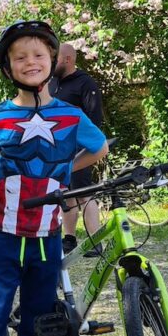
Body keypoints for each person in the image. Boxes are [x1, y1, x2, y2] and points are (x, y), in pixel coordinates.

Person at [0, 20, 108, 336]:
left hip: (46, 233)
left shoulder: (70, 114)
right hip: (1, 232)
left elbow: (96, 148)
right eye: (20, 57)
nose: (30, 62)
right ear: (9, 67)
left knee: (38, 312)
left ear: (52, 61)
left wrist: (66, 167)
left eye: (38, 55)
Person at [50, 42, 106, 254]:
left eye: (56, 59)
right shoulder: (52, 83)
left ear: (68, 59)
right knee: (66, 195)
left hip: (80, 150)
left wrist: (84, 147)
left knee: (85, 193)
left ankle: (96, 241)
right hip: (57, 151)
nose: (52, 62)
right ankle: (70, 239)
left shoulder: (85, 83)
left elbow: (94, 120)